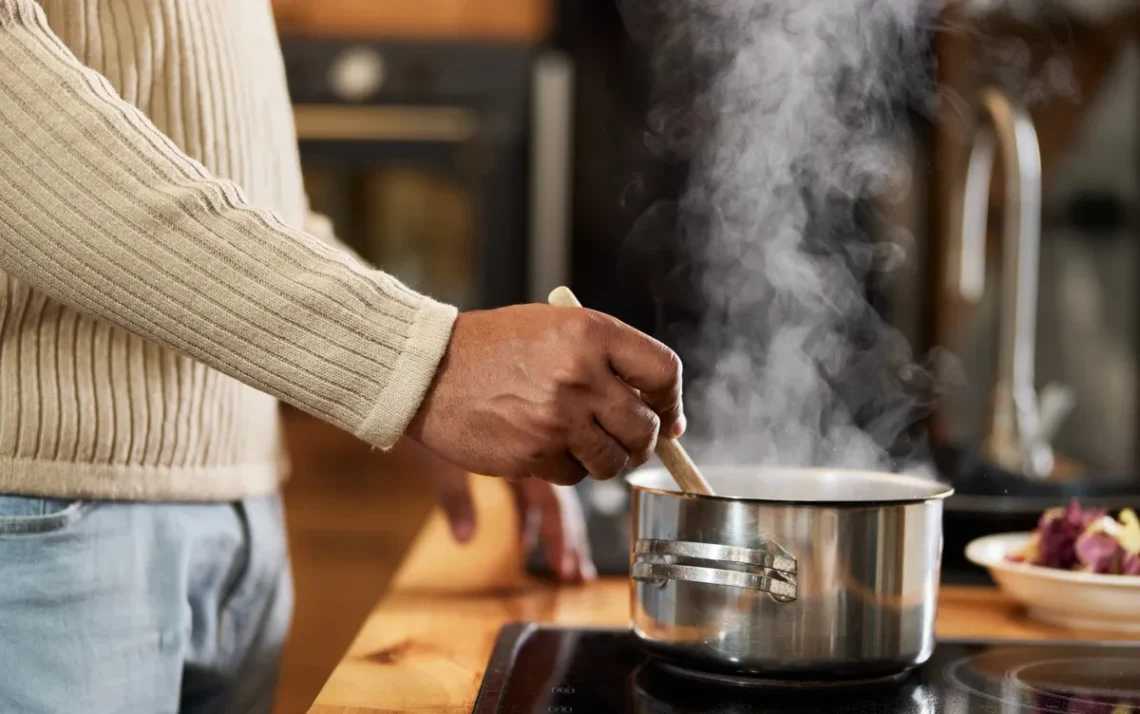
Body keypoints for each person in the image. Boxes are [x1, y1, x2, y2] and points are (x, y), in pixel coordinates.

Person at [0, 1, 685, 712]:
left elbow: (243, 191)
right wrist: (413, 361)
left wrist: (409, 361)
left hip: (232, 510)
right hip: (40, 525)